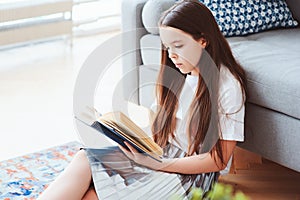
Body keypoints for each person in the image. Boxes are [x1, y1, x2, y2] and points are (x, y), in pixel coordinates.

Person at [38, 0, 247, 199]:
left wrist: (158, 163)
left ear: (203, 40)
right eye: (168, 47)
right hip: (158, 156)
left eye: (178, 46)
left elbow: (218, 160)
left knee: (91, 195)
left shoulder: (228, 87)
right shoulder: (179, 76)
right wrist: (132, 142)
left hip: (188, 177)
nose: (172, 55)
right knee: (85, 159)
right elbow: (163, 134)